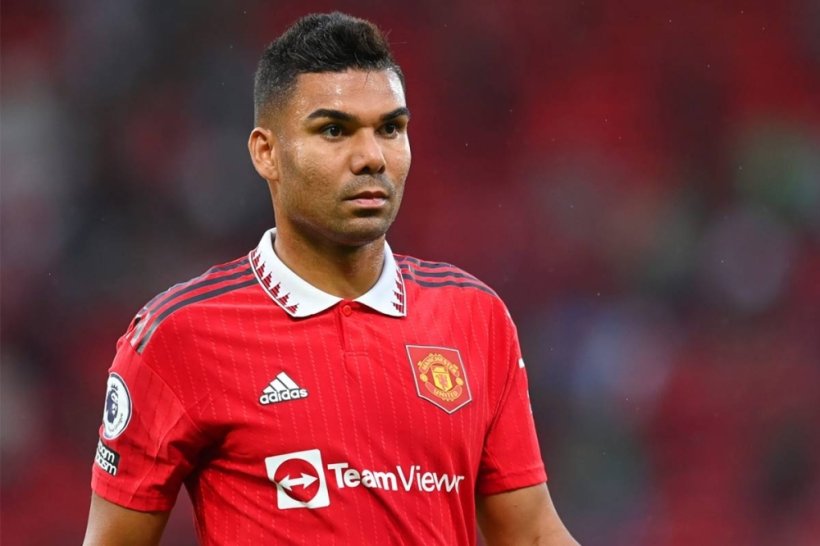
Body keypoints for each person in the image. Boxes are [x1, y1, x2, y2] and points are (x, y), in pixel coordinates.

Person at [83, 11, 579, 546]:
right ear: (266, 153)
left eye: (390, 128)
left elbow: (530, 533)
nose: (371, 158)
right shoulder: (177, 336)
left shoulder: (475, 318)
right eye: (335, 131)